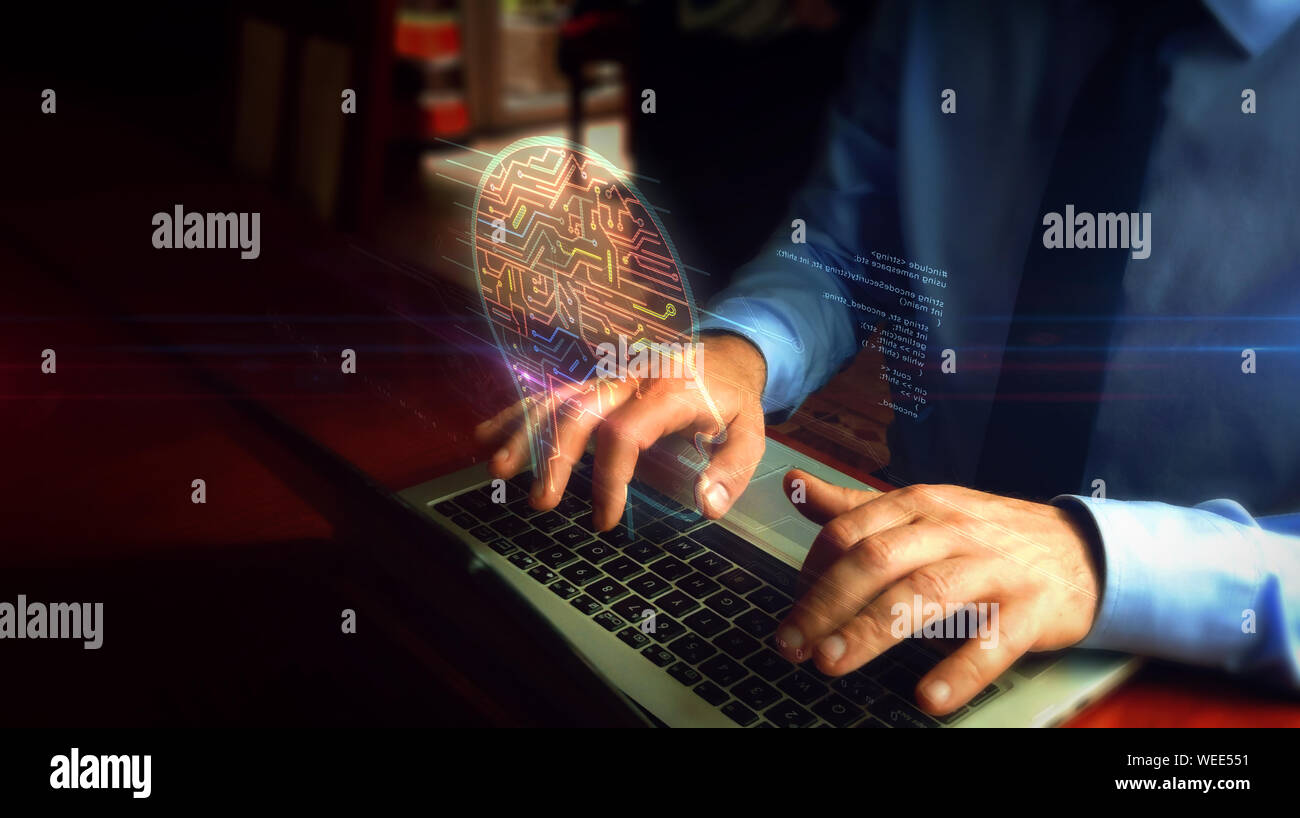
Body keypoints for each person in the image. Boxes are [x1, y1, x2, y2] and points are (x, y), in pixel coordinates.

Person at [476, 0, 1300, 715]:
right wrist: (743, 349)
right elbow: (849, 240)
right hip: (880, 582)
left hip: (1185, 692)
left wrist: (1098, 558)